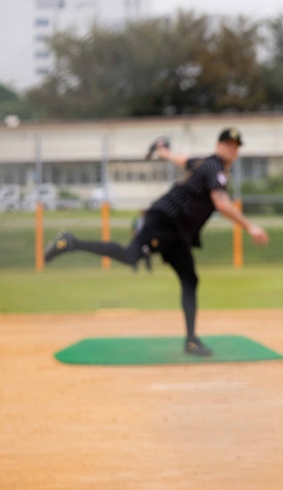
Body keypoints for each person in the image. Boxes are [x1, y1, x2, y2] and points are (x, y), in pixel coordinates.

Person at [43, 127, 269, 357]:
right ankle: (71, 242)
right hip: (164, 220)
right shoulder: (214, 167)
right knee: (130, 256)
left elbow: (180, 159)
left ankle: (191, 341)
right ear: (218, 145)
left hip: (178, 232)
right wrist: (250, 226)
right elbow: (221, 202)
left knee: (190, 279)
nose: (232, 148)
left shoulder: (203, 163)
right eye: (228, 143)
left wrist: (162, 150)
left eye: (236, 145)